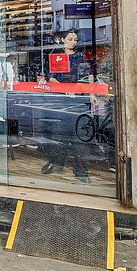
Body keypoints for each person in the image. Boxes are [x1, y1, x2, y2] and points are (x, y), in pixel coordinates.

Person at [41, 29, 95, 184]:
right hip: (60, 100)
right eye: (70, 39)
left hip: (78, 100)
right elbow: (50, 77)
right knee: (58, 134)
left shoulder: (80, 57)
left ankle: (81, 171)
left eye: (75, 39)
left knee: (79, 137)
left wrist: (92, 94)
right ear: (63, 40)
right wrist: (65, 88)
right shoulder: (56, 56)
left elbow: (88, 76)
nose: (73, 42)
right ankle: (55, 161)